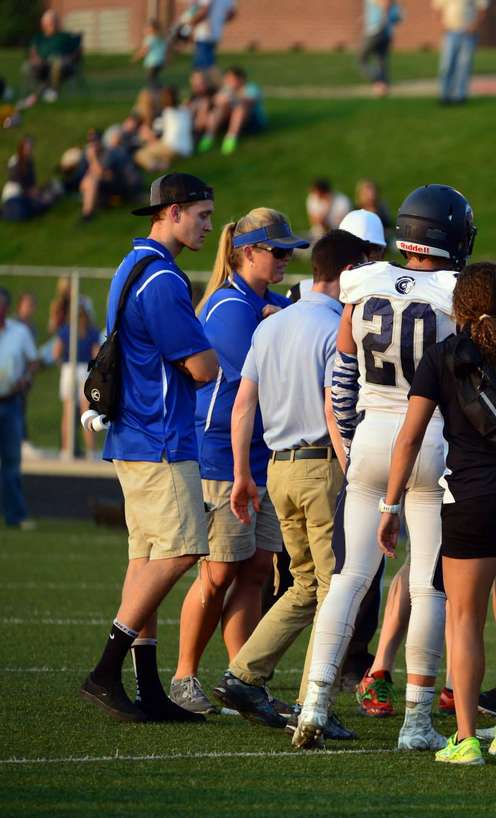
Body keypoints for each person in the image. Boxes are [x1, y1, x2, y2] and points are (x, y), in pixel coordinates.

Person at [296, 184, 473, 752]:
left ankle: (315, 704)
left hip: (373, 435)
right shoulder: (457, 293)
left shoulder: (363, 282)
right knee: (428, 587)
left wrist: (350, 440)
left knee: (348, 579)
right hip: (432, 441)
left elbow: (341, 375)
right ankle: (417, 720)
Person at [377, 262, 496, 765]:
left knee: (463, 619)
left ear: (458, 306)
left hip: (470, 500)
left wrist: (390, 504)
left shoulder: (442, 358)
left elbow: (410, 438)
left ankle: (466, 739)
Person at [212, 230, 367, 739]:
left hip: (277, 466)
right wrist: (355, 471)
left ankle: (243, 674)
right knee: (335, 589)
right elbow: (333, 404)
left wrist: (242, 474)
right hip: (323, 462)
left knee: (305, 583)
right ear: (348, 273)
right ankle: (312, 702)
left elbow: (243, 405)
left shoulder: (273, 325)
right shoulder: (335, 328)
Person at [79, 172, 219, 723]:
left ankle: (147, 687)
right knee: (184, 549)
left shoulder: (131, 265)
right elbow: (203, 367)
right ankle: (106, 669)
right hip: (159, 436)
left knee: (149, 557)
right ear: (174, 212)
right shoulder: (162, 280)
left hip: (135, 433)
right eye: (202, 215)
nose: (208, 225)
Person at [168, 209, 302, 716]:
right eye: (279, 251)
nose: (287, 260)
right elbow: (259, 381)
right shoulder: (230, 307)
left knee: (256, 570)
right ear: (248, 251)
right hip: (223, 456)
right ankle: (184, 676)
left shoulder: (264, 303)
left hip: (260, 455)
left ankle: (239, 679)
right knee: (219, 573)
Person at [0, 287, 38, 530]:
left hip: (10, 402)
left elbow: (33, 362)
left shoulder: (19, 332)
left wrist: (25, 378)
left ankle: (15, 515)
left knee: (12, 462)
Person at [52, 300, 101, 459]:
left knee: (68, 413)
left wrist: (62, 366)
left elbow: (56, 353)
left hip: (68, 369)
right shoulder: (91, 331)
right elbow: (96, 354)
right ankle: (91, 451)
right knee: (87, 412)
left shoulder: (66, 330)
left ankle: (66, 451)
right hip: (85, 371)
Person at [80, 126, 144, 223]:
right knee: (88, 181)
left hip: (124, 187)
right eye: (90, 141)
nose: (92, 144)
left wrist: (92, 159)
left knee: (91, 181)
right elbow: (83, 180)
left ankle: (87, 215)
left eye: (94, 140)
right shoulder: (91, 156)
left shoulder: (109, 153)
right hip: (109, 187)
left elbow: (104, 174)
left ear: (100, 141)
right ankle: (91, 210)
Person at [198, 67, 266, 156]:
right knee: (221, 108)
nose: (228, 81)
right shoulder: (227, 89)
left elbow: (249, 102)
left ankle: (231, 138)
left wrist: (231, 98)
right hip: (230, 120)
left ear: (240, 78)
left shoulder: (251, 88)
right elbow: (216, 101)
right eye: (227, 79)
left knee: (240, 108)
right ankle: (209, 136)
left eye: (230, 79)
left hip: (252, 123)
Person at [434, 0, 488, 105]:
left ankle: (460, 96)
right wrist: (442, 25)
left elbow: (482, 8)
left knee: (463, 66)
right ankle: (444, 95)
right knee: (446, 65)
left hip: (468, 33)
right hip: (450, 32)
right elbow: (437, 9)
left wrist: (474, 26)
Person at [22, 10, 82, 105]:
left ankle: (48, 92)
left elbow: (77, 51)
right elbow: (32, 52)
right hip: (42, 64)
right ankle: (45, 92)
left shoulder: (66, 36)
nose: (52, 25)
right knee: (32, 66)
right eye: (49, 23)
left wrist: (69, 58)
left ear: (58, 23)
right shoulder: (38, 37)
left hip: (63, 64)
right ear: (43, 24)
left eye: (54, 21)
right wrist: (36, 59)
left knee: (57, 63)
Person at [135, 87, 195, 172]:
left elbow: (156, 133)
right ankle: (164, 162)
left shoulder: (166, 113)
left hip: (172, 147)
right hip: (187, 149)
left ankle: (156, 167)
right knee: (160, 151)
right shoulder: (185, 111)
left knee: (140, 154)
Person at [4, 136, 56, 222]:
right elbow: (21, 184)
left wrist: (38, 194)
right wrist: (36, 195)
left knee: (45, 203)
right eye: (26, 148)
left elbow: (32, 183)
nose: (29, 150)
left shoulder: (29, 161)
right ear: (21, 148)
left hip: (26, 195)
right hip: (14, 196)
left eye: (30, 148)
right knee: (24, 214)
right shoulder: (15, 161)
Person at [360, 0, 403, 97]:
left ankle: (378, 81)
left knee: (362, 58)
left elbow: (385, 4)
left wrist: (382, 21)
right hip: (385, 32)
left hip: (375, 31)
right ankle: (383, 86)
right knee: (381, 60)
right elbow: (398, 17)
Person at [187, 0, 236, 72]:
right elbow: (231, 14)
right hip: (214, 33)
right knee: (209, 65)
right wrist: (218, 20)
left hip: (203, 33)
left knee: (202, 68)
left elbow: (205, 10)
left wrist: (190, 24)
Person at [133, 19, 168, 87]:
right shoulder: (160, 38)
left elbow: (145, 49)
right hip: (160, 61)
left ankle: (158, 91)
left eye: (147, 27)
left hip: (153, 62)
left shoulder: (150, 38)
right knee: (153, 78)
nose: (144, 29)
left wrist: (137, 56)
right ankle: (159, 89)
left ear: (152, 29)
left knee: (150, 79)